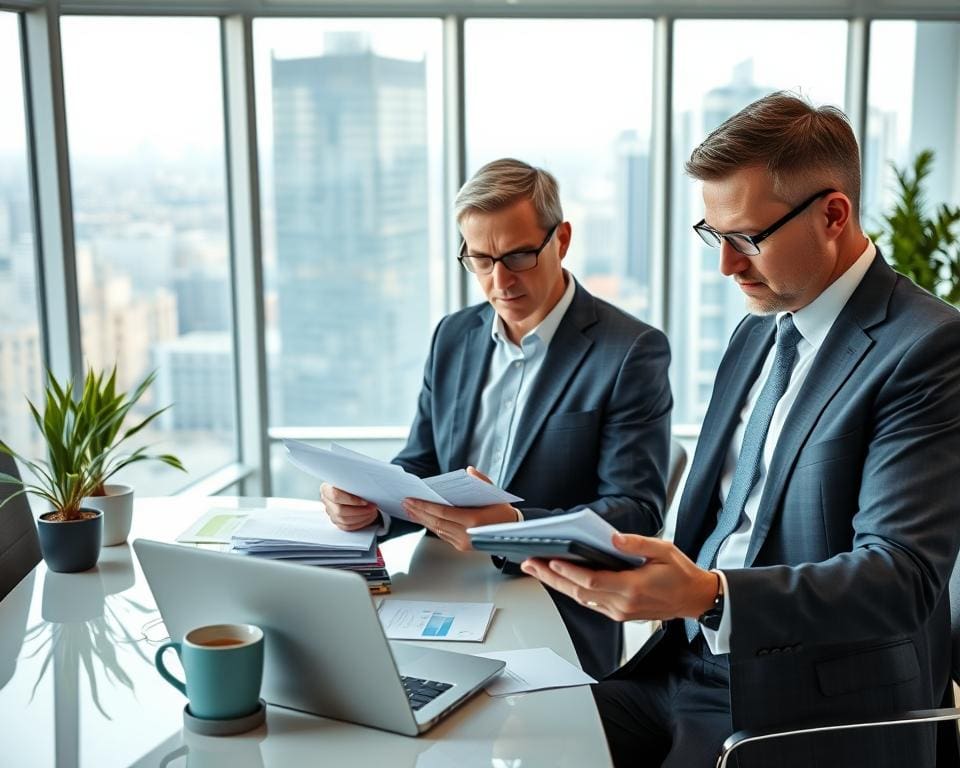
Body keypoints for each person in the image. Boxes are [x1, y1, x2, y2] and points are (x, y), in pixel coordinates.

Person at [522, 92, 960, 767]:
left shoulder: (927, 347)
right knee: (513, 740)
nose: (726, 265)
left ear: (833, 215)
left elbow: (899, 577)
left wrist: (710, 595)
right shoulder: (758, 331)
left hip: (802, 706)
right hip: (681, 665)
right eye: (714, 235)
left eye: (747, 238)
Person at [321, 158, 673, 678]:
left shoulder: (629, 351)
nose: (500, 281)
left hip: (556, 599)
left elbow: (635, 512)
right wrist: (372, 507)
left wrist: (513, 528)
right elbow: (421, 463)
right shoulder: (453, 335)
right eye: (481, 260)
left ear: (562, 240)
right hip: (439, 587)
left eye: (518, 256)